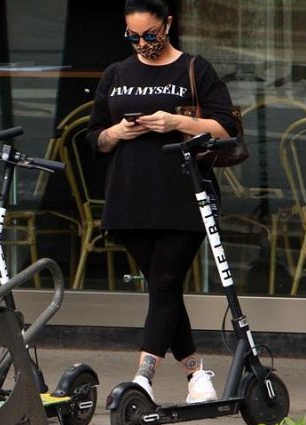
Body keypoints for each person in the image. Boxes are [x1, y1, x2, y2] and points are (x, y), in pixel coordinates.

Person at [86, 0, 239, 404]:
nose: (142, 44)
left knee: (166, 282)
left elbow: (226, 127)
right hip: (129, 198)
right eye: (132, 36)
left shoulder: (194, 68)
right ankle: (196, 374)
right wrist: (117, 132)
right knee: (161, 289)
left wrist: (175, 122)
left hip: (182, 196)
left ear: (168, 25)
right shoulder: (116, 73)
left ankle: (143, 379)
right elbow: (94, 138)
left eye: (150, 35)